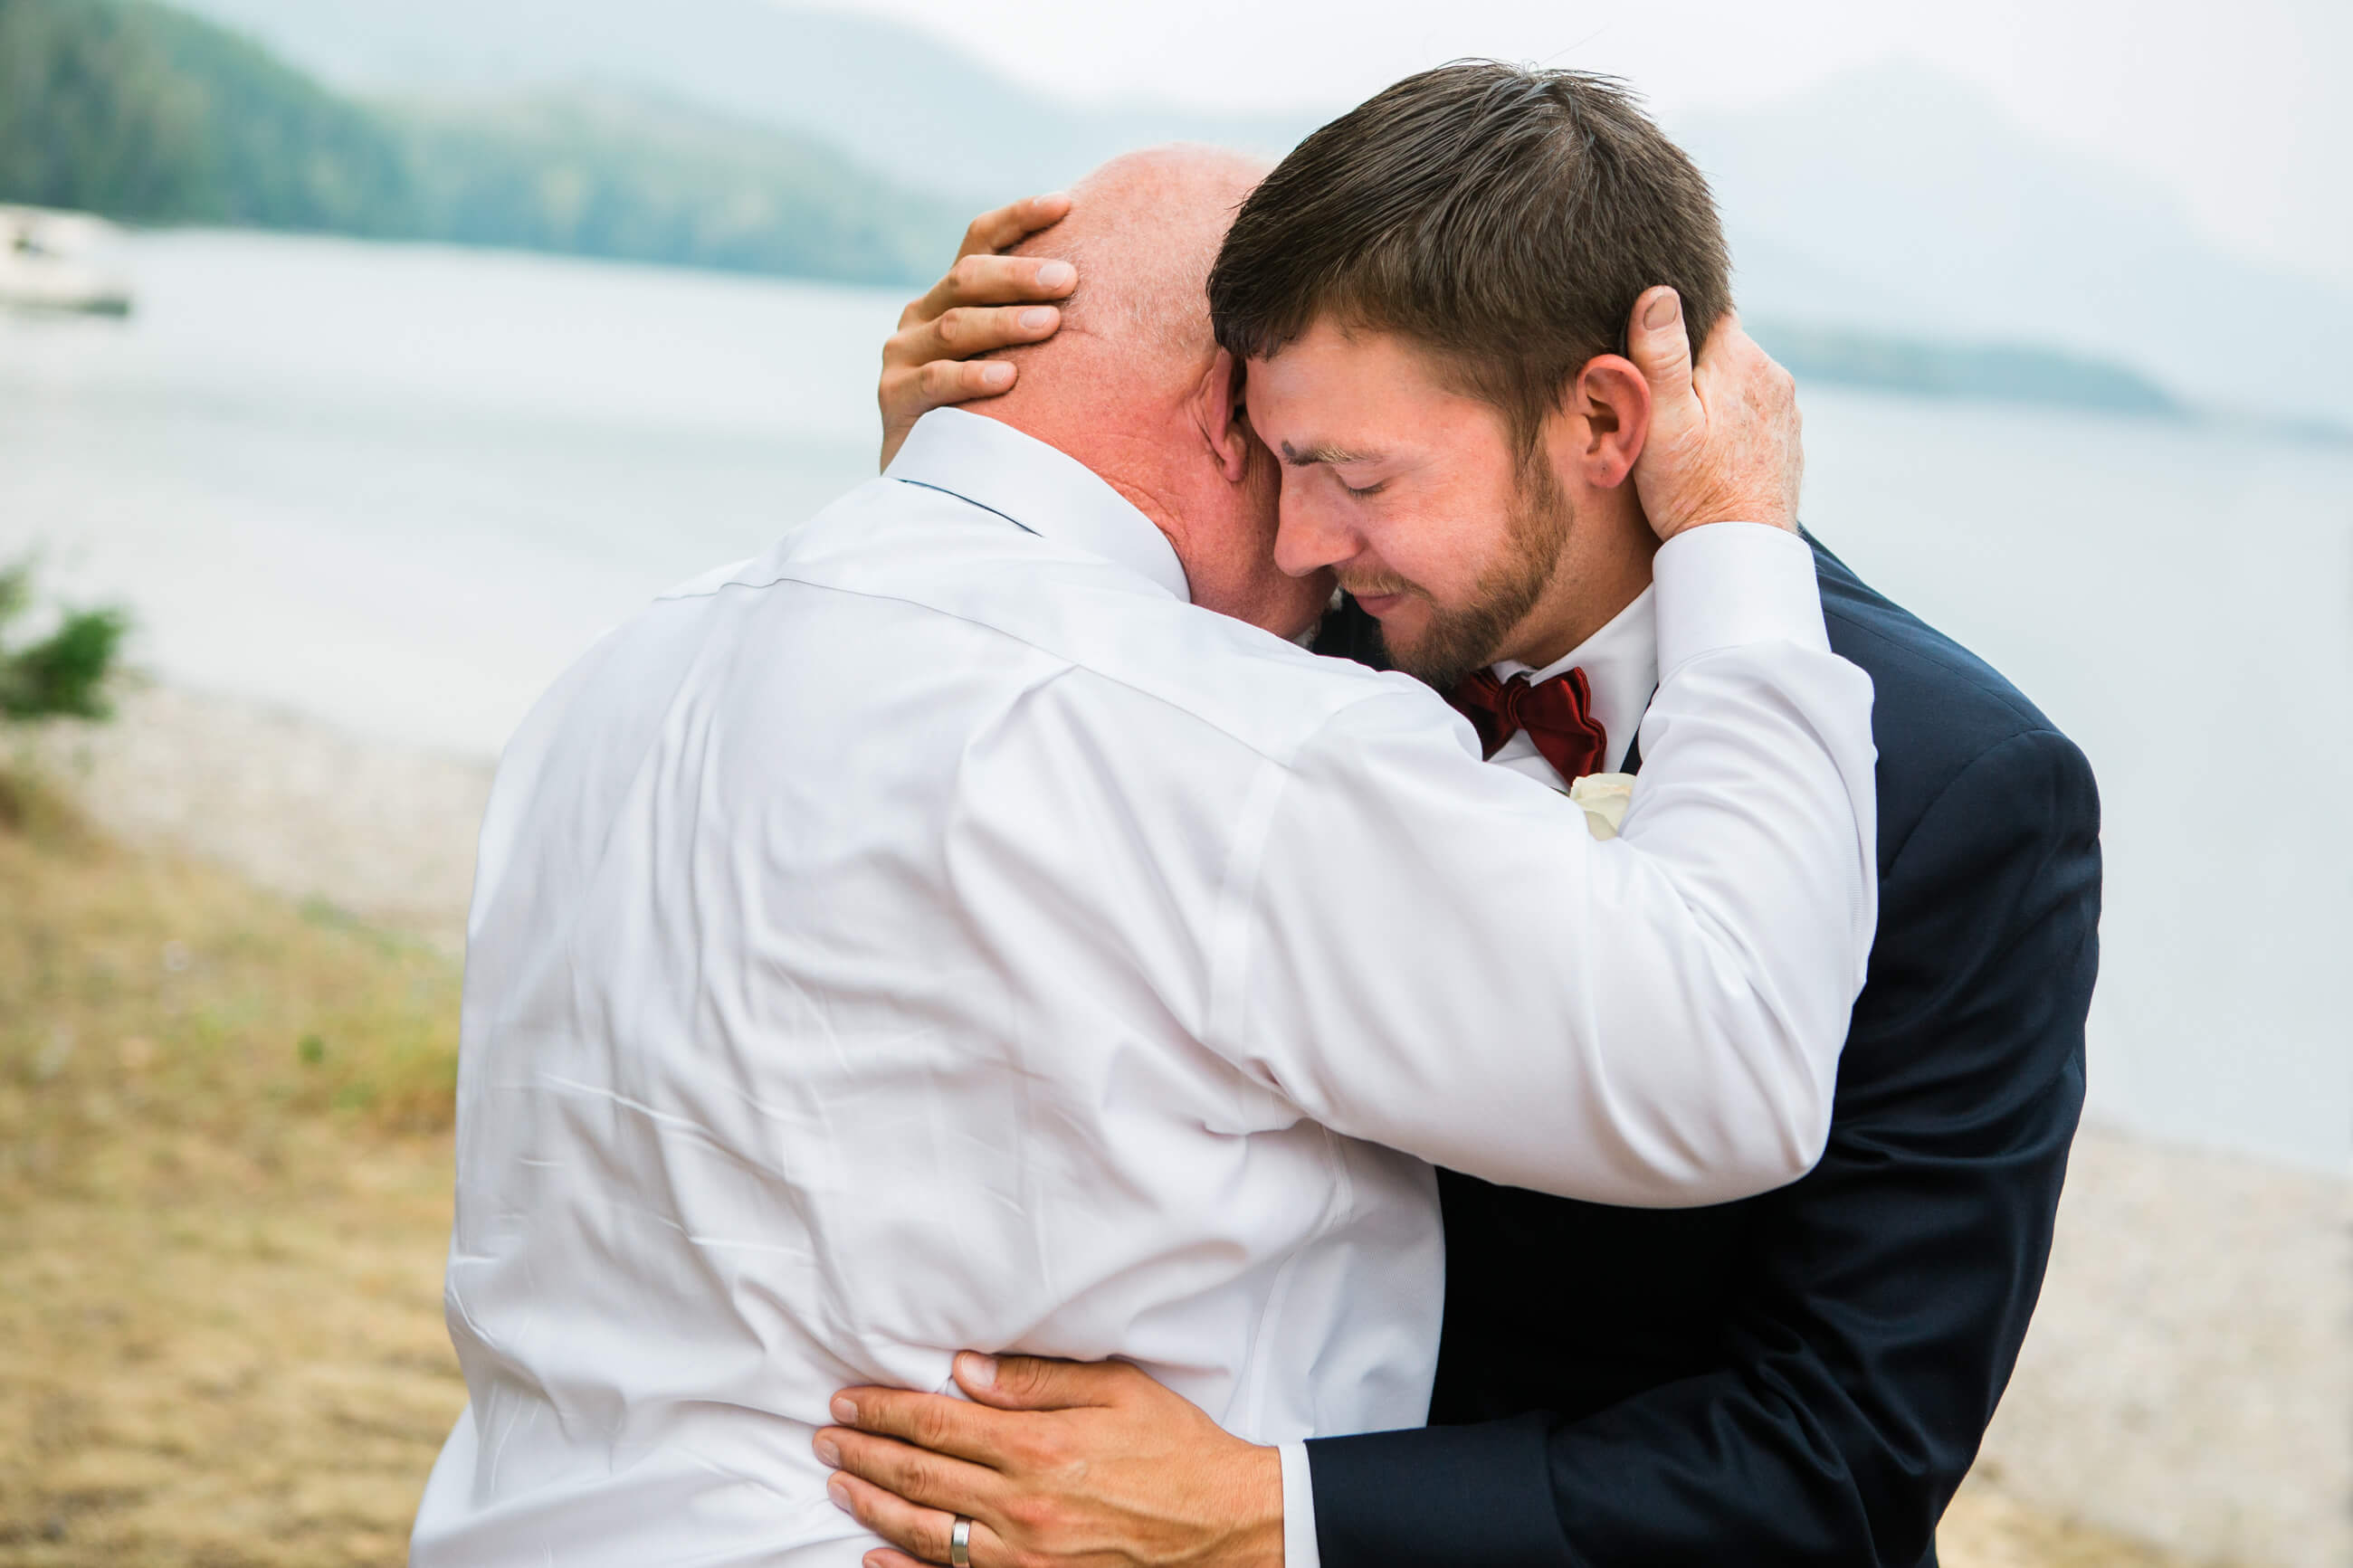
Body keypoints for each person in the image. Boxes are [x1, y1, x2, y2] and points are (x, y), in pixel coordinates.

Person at [408, 138, 1877, 1566]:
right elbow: (1728, 1050)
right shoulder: (1226, 740)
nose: (1315, 548)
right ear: (1229, 410)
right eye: (1306, 451)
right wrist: (1738, 544)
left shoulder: (620, 669)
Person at [816, 63, 2101, 1568]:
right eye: (1285, 461)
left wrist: (1269, 1513)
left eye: (1357, 474)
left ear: (1605, 420)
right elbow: (993, 778)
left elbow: (1838, 1456)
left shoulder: (1964, 787)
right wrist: (962, 479)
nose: (1301, 537)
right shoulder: (1301, 632)